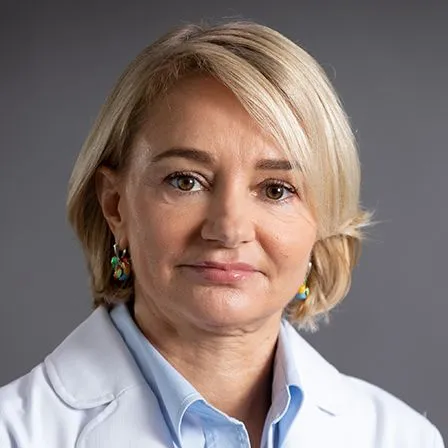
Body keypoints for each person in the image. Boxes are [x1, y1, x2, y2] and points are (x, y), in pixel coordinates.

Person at [0, 20, 444, 448]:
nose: (229, 230)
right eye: (185, 181)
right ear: (115, 205)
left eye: (276, 189)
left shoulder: (403, 439)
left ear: (322, 222)